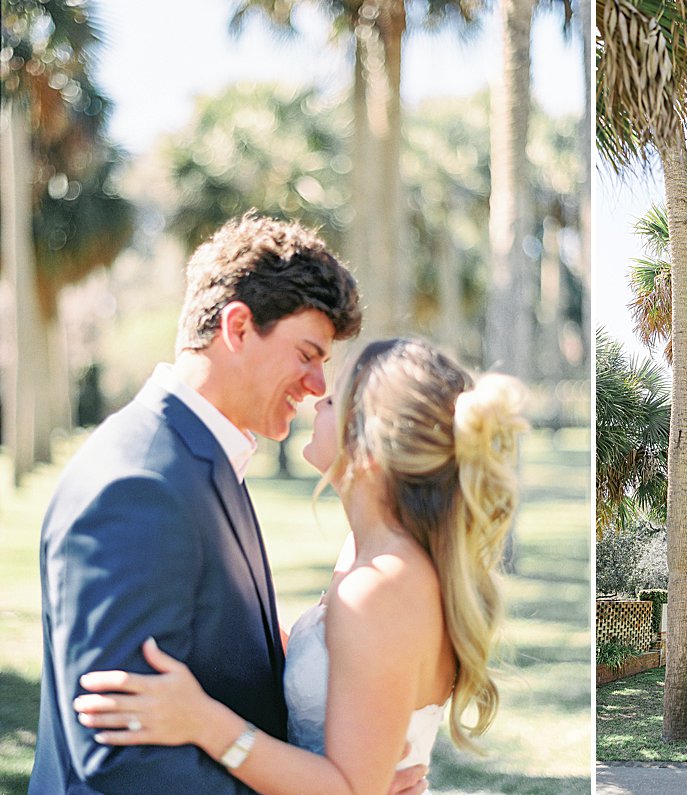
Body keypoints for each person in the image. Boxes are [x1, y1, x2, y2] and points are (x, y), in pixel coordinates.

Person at [31, 214, 424, 794]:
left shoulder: (202, 459)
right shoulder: (140, 486)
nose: (319, 386)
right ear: (238, 328)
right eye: (308, 354)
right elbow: (119, 760)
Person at [74, 338, 528, 795]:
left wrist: (203, 722)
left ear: (368, 445)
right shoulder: (363, 554)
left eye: (333, 399)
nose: (316, 399)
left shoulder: (381, 586)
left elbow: (348, 789)